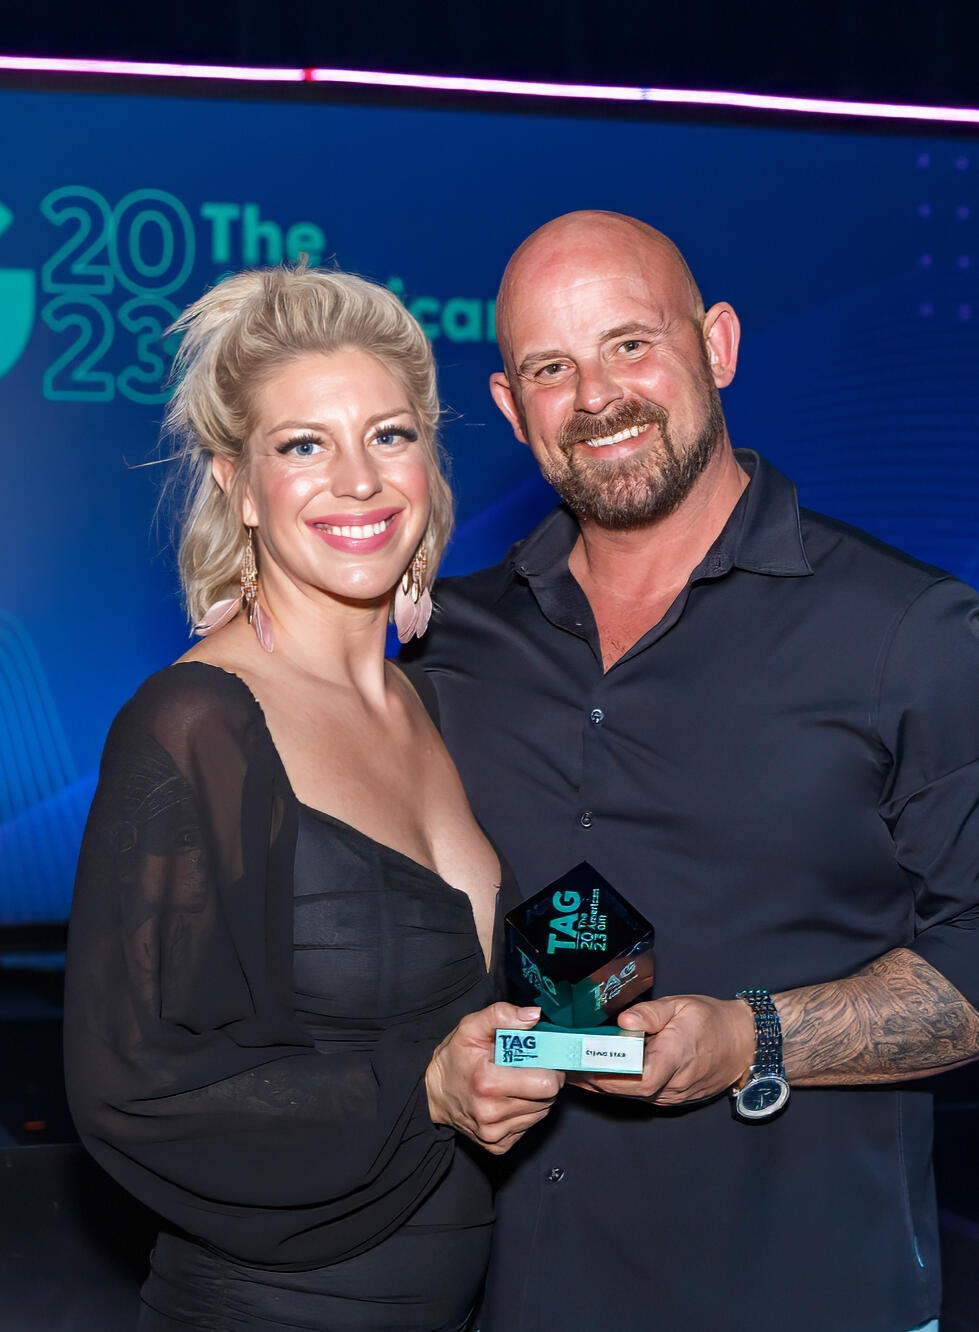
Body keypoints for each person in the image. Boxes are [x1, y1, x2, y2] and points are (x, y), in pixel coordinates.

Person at [404, 211, 979, 1332]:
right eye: (550, 368)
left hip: (807, 1297)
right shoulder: (449, 644)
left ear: (715, 344)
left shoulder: (909, 634)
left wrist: (752, 1039)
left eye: (631, 343)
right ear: (514, 411)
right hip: (511, 1295)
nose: (598, 397)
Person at [63, 265, 562, 1332]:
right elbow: (132, 1091)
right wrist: (422, 1090)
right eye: (303, 445)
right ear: (237, 483)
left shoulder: (432, 707)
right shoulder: (196, 726)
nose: (359, 480)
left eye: (388, 436)